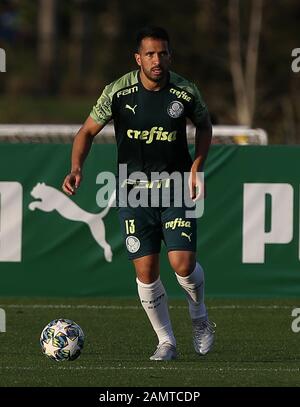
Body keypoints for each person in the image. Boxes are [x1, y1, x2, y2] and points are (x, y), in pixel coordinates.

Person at [62, 26, 215, 361]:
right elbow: (86, 131)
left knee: (183, 264)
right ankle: (166, 342)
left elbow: (204, 126)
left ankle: (199, 317)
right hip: (133, 193)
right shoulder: (118, 92)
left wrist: (197, 165)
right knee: (146, 272)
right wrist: (76, 168)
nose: (156, 60)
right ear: (138, 58)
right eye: (149, 54)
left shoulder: (185, 92)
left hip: (175, 188)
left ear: (170, 56)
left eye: (162, 53)